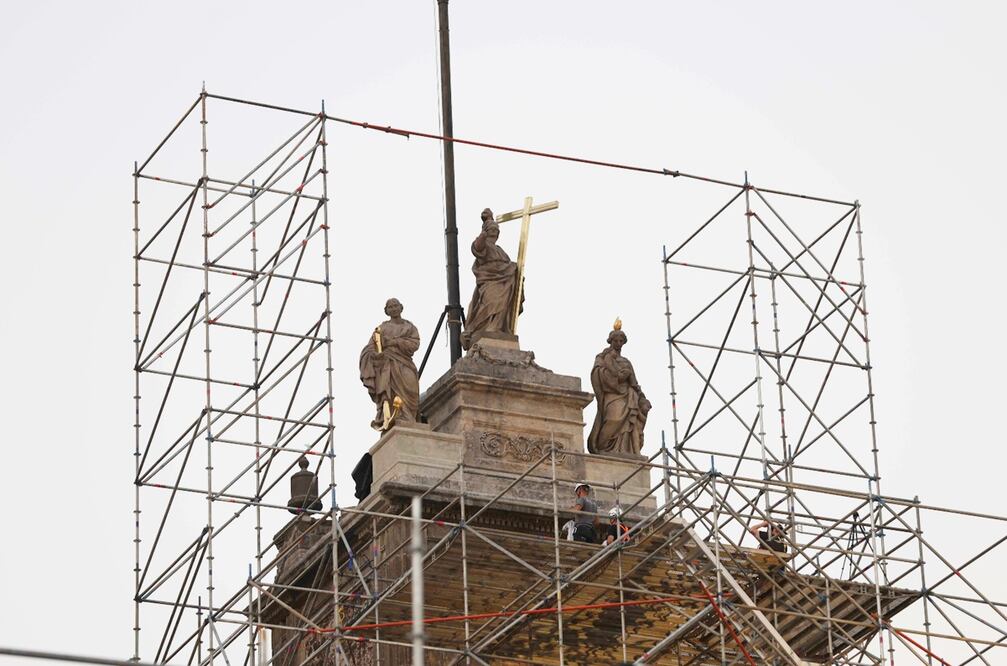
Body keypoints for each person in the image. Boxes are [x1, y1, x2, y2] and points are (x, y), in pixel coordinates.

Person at [461, 208, 523, 349]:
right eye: (492, 229)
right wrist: (484, 230)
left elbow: (507, 265)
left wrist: (514, 269)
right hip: (490, 281)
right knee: (491, 303)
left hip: (506, 282)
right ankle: (487, 329)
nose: (494, 231)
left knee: (503, 306)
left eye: (496, 229)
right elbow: (477, 248)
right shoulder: (485, 246)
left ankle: (497, 328)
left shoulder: (500, 250)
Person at [588, 320, 652, 456]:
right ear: (611, 341)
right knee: (613, 419)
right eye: (615, 341)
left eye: (621, 341)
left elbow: (634, 383)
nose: (618, 344)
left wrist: (641, 397)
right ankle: (603, 447)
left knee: (628, 425)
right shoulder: (603, 358)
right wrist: (617, 378)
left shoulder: (626, 362)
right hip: (612, 396)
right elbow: (597, 373)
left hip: (628, 397)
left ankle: (625, 450)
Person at [359, 298, 421, 430]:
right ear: (386, 311)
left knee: (411, 389)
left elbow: (415, 344)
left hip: (405, 363)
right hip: (388, 366)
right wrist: (376, 355)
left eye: (395, 306)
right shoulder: (381, 329)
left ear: (401, 307)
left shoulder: (410, 327)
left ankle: (409, 417)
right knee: (390, 393)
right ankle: (395, 417)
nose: (393, 308)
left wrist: (395, 342)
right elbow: (370, 347)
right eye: (390, 307)